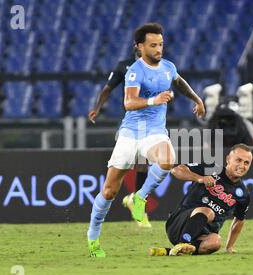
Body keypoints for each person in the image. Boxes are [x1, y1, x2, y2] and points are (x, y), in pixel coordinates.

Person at [87, 23, 205, 258]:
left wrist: (197, 99)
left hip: (154, 131)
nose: (158, 49)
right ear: (140, 47)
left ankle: (139, 197)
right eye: (153, 45)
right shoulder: (135, 71)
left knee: (167, 160)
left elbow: (178, 81)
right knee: (109, 191)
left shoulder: (168, 67)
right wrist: (155, 100)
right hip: (131, 133)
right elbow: (128, 103)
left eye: (160, 44)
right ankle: (93, 237)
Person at [149, 144, 252, 256]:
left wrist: (229, 247)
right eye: (238, 160)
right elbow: (176, 170)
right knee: (208, 211)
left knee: (215, 242)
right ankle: (184, 243)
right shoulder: (211, 168)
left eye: (246, 163)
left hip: (201, 235)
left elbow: (239, 220)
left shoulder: (244, 194)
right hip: (178, 224)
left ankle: (170, 251)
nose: (242, 165)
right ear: (228, 159)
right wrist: (200, 178)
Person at [87, 48, 152, 228]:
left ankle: (138, 204)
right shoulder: (124, 67)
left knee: (143, 163)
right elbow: (108, 89)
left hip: (148, 123)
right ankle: (118, 205)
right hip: (131, 124)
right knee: (124, 169)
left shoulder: (156, 67)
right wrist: (97, 107)